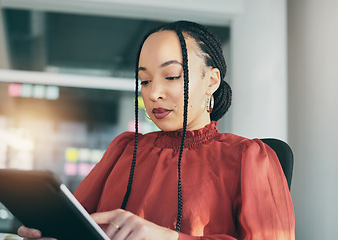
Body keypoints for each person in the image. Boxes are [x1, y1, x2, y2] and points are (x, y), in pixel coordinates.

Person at [18, 20, 295, 240]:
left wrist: (167, 237)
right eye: (145, 80)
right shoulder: (124, 150)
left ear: (211, 81)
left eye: (172, 76)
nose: (153, 93)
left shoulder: (250, 158)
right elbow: (79, 224)